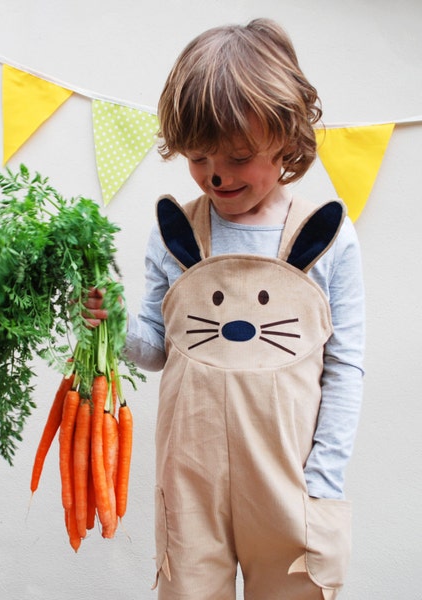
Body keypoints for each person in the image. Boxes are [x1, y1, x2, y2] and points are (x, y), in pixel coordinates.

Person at [87, 18, 364, 600]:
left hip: (293, 484)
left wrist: (324, 481)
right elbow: (156, 350)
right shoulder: (174, 235)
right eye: (197, 157)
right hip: (192, 482)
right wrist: (112, 325)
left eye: (239, 157)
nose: (216, 173)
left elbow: (344, 366)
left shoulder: (329, 237)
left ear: (286, 141)